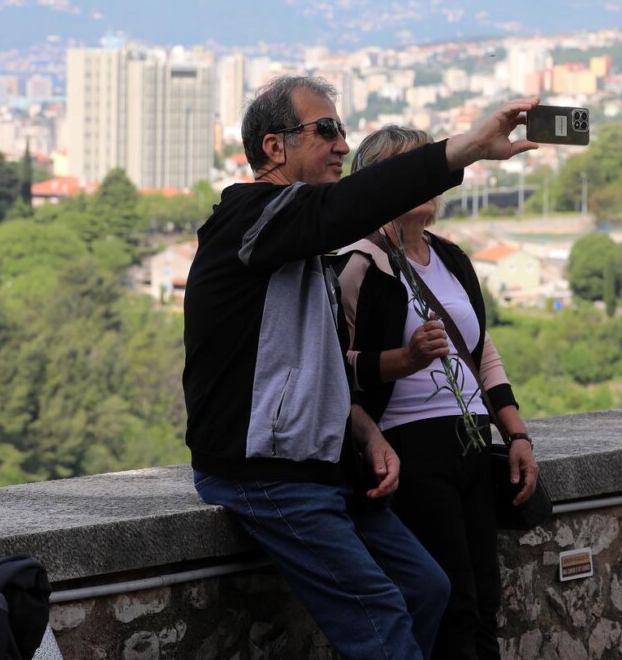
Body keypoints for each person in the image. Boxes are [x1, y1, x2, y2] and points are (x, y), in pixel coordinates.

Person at [182, 75, 540, 660]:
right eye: (326, 130)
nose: (342, 145)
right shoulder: (248, 218)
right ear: (275, 147)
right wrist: (467, 147)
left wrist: (366, 433)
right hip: (265, 472)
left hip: (323, 467)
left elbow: (319, 367)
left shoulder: (305, 248)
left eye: (343, 130)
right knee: (380, 613)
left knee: (429, 589)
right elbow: (345, 209)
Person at [335, 126, 539, 660]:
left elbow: (480, 352)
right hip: (412, 446)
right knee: (455, 602)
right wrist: (406, 360)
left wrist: (515, 433)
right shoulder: (360, 265)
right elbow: (338, 369)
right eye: (412, 168)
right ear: (381, 183)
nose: (427, 179)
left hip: (472, 440)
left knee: (487, 603)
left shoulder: (452, 259)